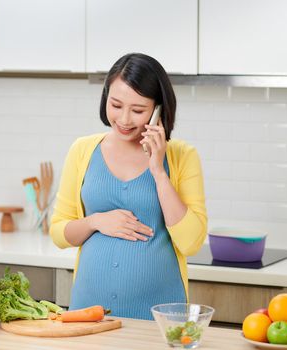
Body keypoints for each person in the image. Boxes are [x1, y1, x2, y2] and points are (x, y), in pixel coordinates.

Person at [50, 53, 207, 320]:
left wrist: (158, 170)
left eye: (137, 110)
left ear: (158, 109)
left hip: (159, 319)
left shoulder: (182, 156)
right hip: (88, 312)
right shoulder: (82, 150)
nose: (124, 119)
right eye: (116, 105)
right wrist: (95, 221)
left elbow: (191, 241)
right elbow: (58, 233)